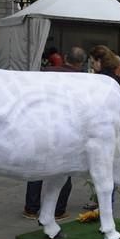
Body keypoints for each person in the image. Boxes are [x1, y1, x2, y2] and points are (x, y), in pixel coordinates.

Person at [22, 46, 87, 220]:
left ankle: (31, 208)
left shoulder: (46, 72)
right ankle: (58, 210)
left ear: (65, 57)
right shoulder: (80, 79)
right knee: (63, 170)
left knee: (37, 168)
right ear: (81, 63)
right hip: (64, 131)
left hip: (41, 126)